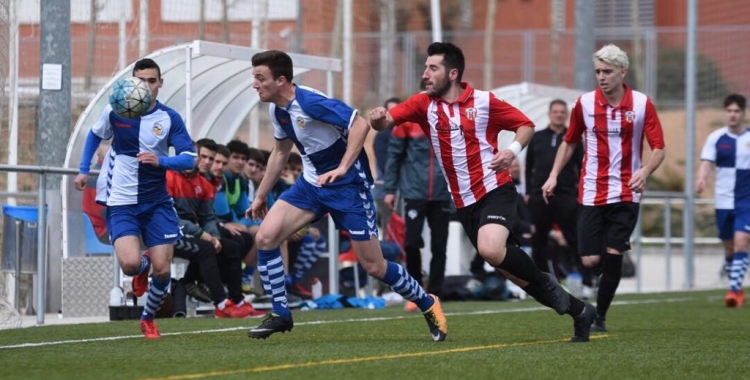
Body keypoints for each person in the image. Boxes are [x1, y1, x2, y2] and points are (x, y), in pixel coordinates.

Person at [370, 42, 595, 342]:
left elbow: (525, 125)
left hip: (495, 189)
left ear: (452, 73)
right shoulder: (423, 104)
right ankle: (579, 311)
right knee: (513, 272)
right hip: (464, 204)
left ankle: (553, 287)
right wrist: (376, 118)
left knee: (490, 249)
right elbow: (386, 121)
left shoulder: (484, 101)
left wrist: (512, 151)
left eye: (432, 68)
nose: (425, 73)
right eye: (425, 67)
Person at [246, 49, 447, 341]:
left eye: (259, 78)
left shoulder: (310, 101)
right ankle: (281, 314)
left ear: (281, 80)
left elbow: (360, 124)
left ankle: (428, 303)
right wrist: (261, 196)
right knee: (265, 237)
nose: (255, 84)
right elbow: (280, 151)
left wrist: (342, 167)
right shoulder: (277, 109)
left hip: (348, 188)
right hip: (312, 185)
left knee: (374, 266)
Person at [542, 44, 665, 332]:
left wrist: (645, 171)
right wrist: (553, 175)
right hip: (591, 191)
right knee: (591, 259)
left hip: (626, 191)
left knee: (612, 254)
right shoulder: (584, 104)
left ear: (623, 72)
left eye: (607, 71)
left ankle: (601, 315)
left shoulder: (641, 104)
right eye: (598, 71)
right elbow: (570, 141)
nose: (601, 76)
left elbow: (658, 147)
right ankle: (613, 262)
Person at [73, 58, 196, 338]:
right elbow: (94, 135)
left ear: (160, 83)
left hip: (157, 202)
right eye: (140, 81)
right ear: (132, 82)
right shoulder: (116, 110)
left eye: (152, 81)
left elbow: (190, 159)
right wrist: (83, 170)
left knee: (163, 270)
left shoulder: (169, 118)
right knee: (129, 264)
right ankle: (142, 267)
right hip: (122, 200)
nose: (146, 87)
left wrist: (162, 161)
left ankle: (148, 318)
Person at [165, 138, 265, 318]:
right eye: (204, 157)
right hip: (166, 234)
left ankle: (237, 300)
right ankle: (220, 302)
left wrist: (214, 235)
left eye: (210, 159)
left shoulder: (202, 183)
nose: (207, 162)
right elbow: (171, 219)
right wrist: (205, 235)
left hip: (191, 232)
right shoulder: (168, 177)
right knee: (208, 247)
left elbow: (208, 216)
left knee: (231, 246)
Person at [383, 97, 452, 311]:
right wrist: (390, 189)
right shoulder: (407, 122)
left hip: (442, 193)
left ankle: (436, 293)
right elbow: (394, 156)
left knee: (439, 246)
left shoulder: (450, 119)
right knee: (411, 242)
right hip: (414, 192)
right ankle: (416, 293)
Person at [526, 100, 592, 291]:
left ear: (566, 115)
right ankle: (539, 285)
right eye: (556, 112)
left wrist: (580, 193)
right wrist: (529, 192)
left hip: (565, 195)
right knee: (538, 241)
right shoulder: (537, 138)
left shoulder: (573, 139)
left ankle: (585, 281)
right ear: (549, 114)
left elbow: (581, 166)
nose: (559, 115)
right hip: (540, 196)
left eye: (562, 112)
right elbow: (529, 166)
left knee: (574, 239)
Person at [696, 93, 750, 307]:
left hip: (746, 200)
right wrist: (701, 179)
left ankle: (734, 290)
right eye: (729, 111)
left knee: (741, 242)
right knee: (729, 248)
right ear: (725, 113)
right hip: (723, 201)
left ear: (743, 113)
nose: (733, 115)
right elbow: (707, 161)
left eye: (737, 111)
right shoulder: (716, 137)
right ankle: (736, 287)